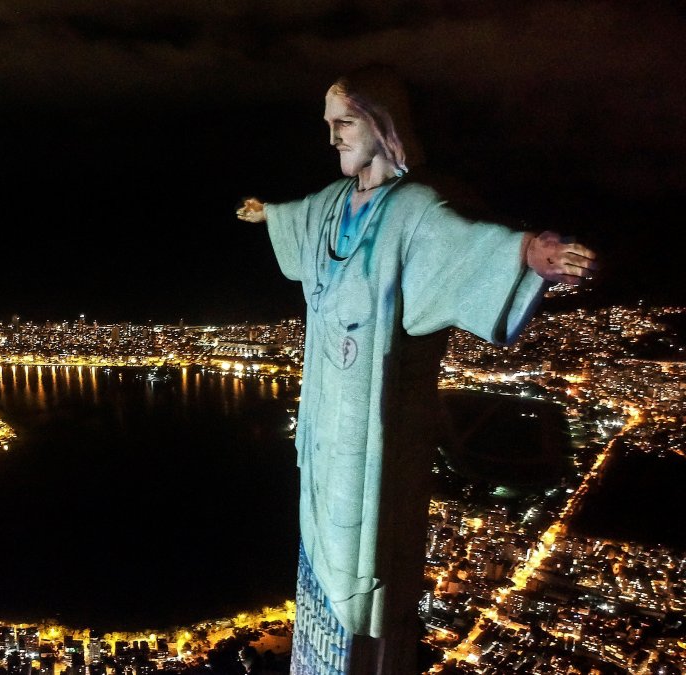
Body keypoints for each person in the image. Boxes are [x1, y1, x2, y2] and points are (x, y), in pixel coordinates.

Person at [236, 65, 597, 674]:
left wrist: (534, 255)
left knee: (360, 551)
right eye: (327, 125)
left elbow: (468, 242)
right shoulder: (328, 206)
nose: (332, 138)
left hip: (369, 422)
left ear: (381, 126)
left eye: (344, 123)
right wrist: (269, 215)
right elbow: (295, 217)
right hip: (324, 410)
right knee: (318, 533)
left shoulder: (414, 210)